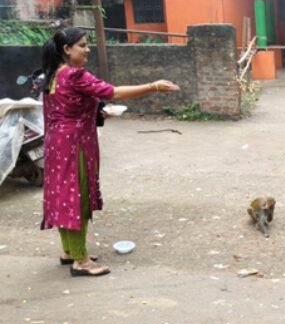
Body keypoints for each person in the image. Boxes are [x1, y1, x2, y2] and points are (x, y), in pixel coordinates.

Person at [40, 27, 180, 277]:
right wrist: (153, 86)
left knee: (64, 196)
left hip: (56, 142)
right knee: (77, 198)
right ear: (67, 49)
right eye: (82, 45)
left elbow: (67, 107)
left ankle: (70, 251)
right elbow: (112, 92)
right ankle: (81, 261)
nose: (87, 49)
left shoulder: (53, 75)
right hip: (74, 145)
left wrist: (96, 112)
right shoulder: (74, 75)